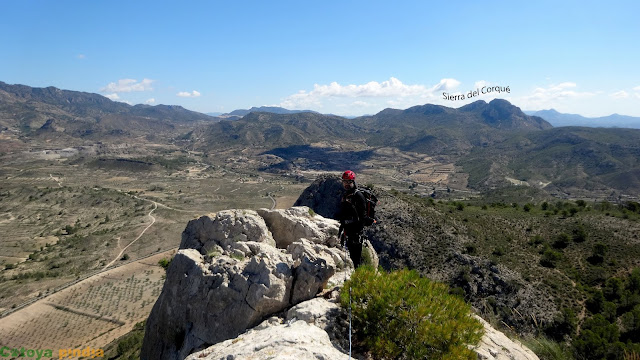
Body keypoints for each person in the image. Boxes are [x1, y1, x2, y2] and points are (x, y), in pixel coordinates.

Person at [338, 170, 367, 267]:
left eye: (348, 182)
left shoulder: (358, 196)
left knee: (355, 259)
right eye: (344, 182)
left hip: (356, 233)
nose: (346, 184)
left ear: (353, 182)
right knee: (350, 257)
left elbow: (362, 217)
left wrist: (355, 230)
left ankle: (357, 279)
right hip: (348, 231)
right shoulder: (346, 194)